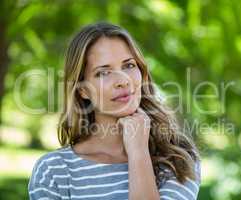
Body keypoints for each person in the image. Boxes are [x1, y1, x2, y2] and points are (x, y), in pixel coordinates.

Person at [28, 22, 201, 200]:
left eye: (129, 66)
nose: (123, 81)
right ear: (82, 90)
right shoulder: (54, 171)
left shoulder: (178, 159)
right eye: (104, 73)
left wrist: (138, 152)